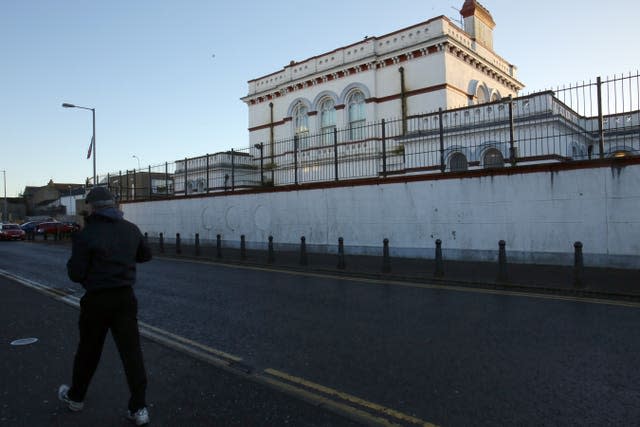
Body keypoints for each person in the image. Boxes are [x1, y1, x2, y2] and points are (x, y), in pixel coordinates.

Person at [58, 186, 152, 426]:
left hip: (97, 300)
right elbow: (145, 255)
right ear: (113, 205)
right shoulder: (131, 229)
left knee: (88, 352)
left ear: (92, 207)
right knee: (132, 354)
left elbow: (76, 274)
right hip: (125, 299)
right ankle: (139, 408)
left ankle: (76, 397)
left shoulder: (86, 234)